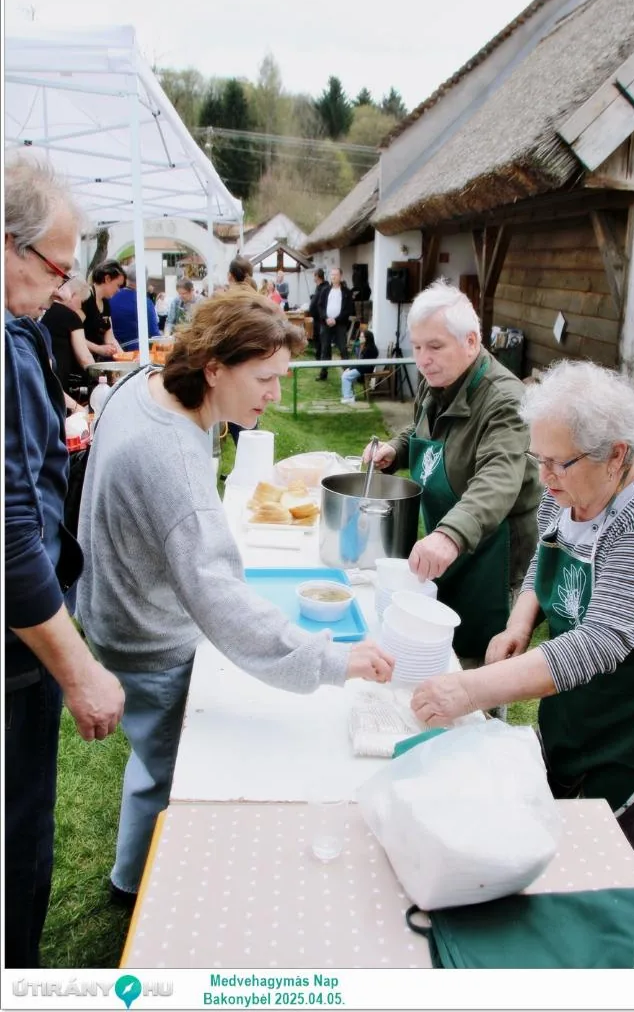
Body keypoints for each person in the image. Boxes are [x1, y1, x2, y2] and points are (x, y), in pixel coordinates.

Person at [76, 293, 394, 904]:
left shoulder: (145, 384)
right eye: (265, 378)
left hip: (114, 604)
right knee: (171, 772)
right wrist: (332, 660)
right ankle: (140, 890)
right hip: (147, 634)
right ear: (214, 368)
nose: (275, 394)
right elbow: (219, 597)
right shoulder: (171, 455)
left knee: (152, 762)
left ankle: (133, 876)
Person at [411, 360, 634, 859]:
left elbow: (601, 642)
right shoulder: (569, 485)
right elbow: (547, 551)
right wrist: (520, 622)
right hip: (576, 691)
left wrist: (470, 688)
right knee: (541, 819)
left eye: (557, 464)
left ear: (616, 455)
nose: (543, 477)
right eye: (537, 458)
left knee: (599, 852)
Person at [4, 157, 125, 967]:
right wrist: (79, 672)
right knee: (17, 841)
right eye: (56, 267)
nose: (62, 290)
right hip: (17, 652)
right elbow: (10, 536)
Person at [362, 279, 540, 666]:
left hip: (493, 558)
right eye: (417, 347)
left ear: (471, 342)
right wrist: (396, 448)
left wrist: (449, 535)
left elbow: (497, 479)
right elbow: (423, 430)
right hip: (452, 545)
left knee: (475, 667)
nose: (422, 359)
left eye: (435, 346)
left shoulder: (506, 401)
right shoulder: (437, 383)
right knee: (432, 649)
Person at [41, 277, 95, 399]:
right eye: (81, 300)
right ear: (73, 295)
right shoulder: (71, 317)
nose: (80, 305)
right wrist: (100, 375)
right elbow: (85, 358)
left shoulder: (46, 312)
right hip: (60, 381)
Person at [109, 262, 160, 350]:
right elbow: (154, 335)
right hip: (136, 353)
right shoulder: (144, 302)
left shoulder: (110, 297)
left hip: (111, 350)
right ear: (144, 280)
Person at [315, 266, 354, 381]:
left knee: (343, 348)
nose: (333, 277)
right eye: (332, 275)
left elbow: (348, 309)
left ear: (340, 276)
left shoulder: (346, 292)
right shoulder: (325, 290)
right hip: (326, 323)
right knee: (325, 348)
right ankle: (323, 373)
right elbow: (320, 306)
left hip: (340, 324)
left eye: (336, 275)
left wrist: (336, 320)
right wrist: (326, 318)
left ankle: (347, 373)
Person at [82, 259, 125, 358]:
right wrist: (98, 348)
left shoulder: (106, 303)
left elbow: (110, 338)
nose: (118, 290)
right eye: (118, 285)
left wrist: (125, 357)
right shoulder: (85, 298)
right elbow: (74, 335)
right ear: (107, 279)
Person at [340, 329, 379, 404]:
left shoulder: (370, 349)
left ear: (367, 338)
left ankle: (348, 397)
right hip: (361, 368)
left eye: (362, 337)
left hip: (364, 370)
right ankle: (349, 396)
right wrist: (350, 368)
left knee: (345, 377)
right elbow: (359, 361)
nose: (359, 338)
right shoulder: (363, 346)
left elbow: (363, 364)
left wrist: (350, 368)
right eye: (360, 336)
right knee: (345, 374)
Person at [308, 267, 328, 361]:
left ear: (318, 276)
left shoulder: (324, 287)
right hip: (316, 318)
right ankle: (318, 355)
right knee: (317, 337)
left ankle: (321, 357)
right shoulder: (318, 287)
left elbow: (321, 302)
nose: (314, 278)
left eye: (314, 276)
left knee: (321, 338)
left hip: (321, 318)